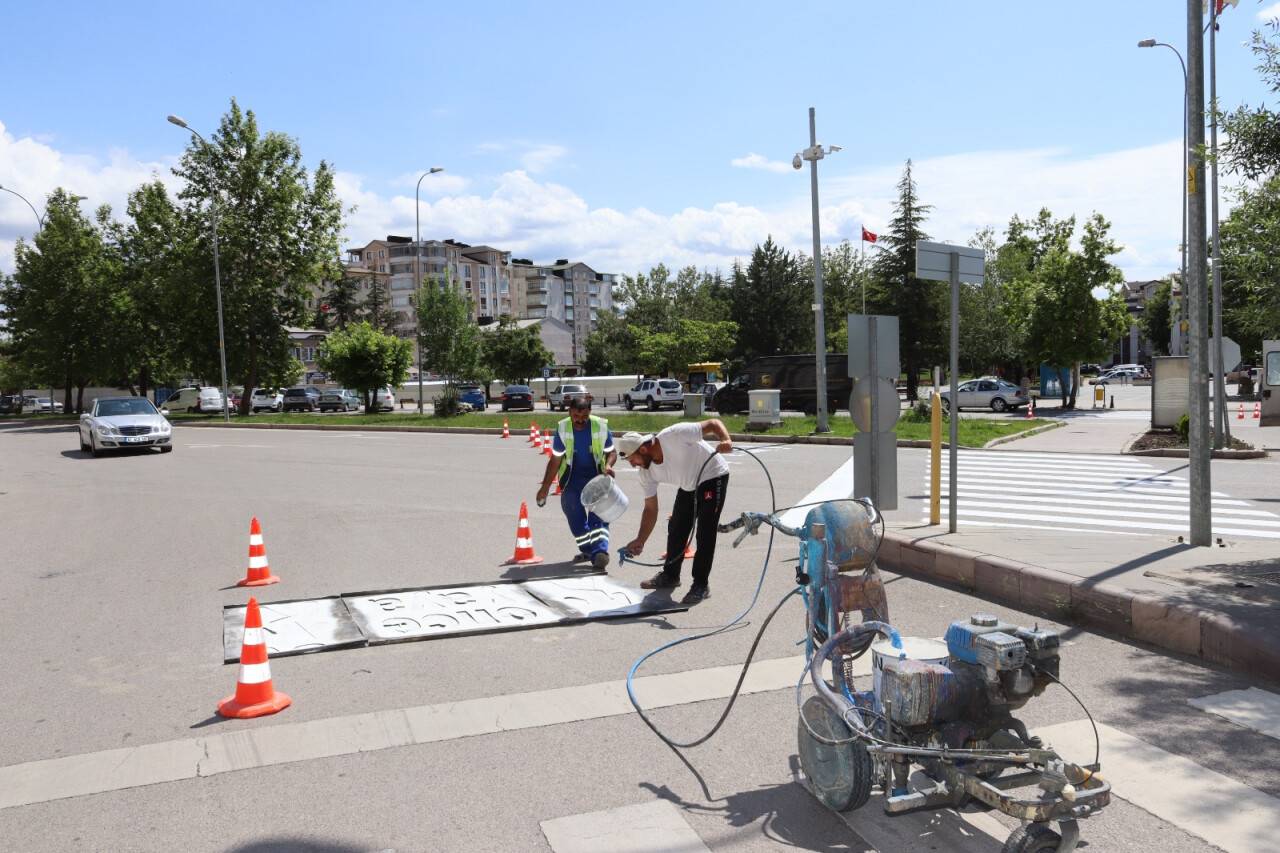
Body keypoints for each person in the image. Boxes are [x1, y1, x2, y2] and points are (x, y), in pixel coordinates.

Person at [616, 419, 732, 604]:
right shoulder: (646, 472)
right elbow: (650, 508)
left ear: (643, 449)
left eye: (632, 460)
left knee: (705, 532)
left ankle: (701, 585)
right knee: (677, 527)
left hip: (713, 474)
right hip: (688, 485)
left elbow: (713, 423)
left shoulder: (674, 435)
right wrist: (641, 540)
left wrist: (725, 439)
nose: (632, 465)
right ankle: (671, 576)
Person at [536, 396, 616, 571]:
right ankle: (588, 551)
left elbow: (612, 452)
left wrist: (609, 465)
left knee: (598, 518)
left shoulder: (600, 426)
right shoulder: (563, 428)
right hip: (573, 480)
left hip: (597, 479)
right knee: (574, 516)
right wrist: (544, 488)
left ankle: (600, 553)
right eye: (576, 417)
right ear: (569, 413)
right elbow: (555, 461)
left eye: (584, 418)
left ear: (589, 413)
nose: (580, 421)